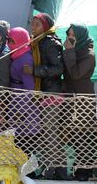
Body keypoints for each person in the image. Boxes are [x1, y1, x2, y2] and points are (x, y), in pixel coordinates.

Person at [25, 13, 65, 179]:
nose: (33, 28)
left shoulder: (49, 42)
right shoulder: (37, 42)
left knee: (50, 135)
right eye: (32, 24)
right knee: (46, 135)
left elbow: (58, 69)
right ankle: (53, 172)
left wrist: (35, 71)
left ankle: (58, 173)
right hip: (42, 94)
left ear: (46, 27)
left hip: (51, 94)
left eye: (37, 25)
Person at [62, 23, 97, 181]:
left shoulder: (89, 54)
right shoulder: (75, 51)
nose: (70, 38)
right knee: (73, 136)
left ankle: (85, 170)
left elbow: (75, 74)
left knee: (83, 137)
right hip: (70, 98)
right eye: (69, 35)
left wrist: (69, 51)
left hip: (83, 101)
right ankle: (76, 169)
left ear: (80, 36)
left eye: (73, 36)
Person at [6, 27, 40, 157]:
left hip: (23, 105)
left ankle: (26, 172)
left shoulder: (26, 59)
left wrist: (23, 110)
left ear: (21, 41)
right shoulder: (18, 54)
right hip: (16, 99)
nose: (9, 44)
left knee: (24, 141)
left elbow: (30, 87)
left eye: (13, 41)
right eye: (9, 41)